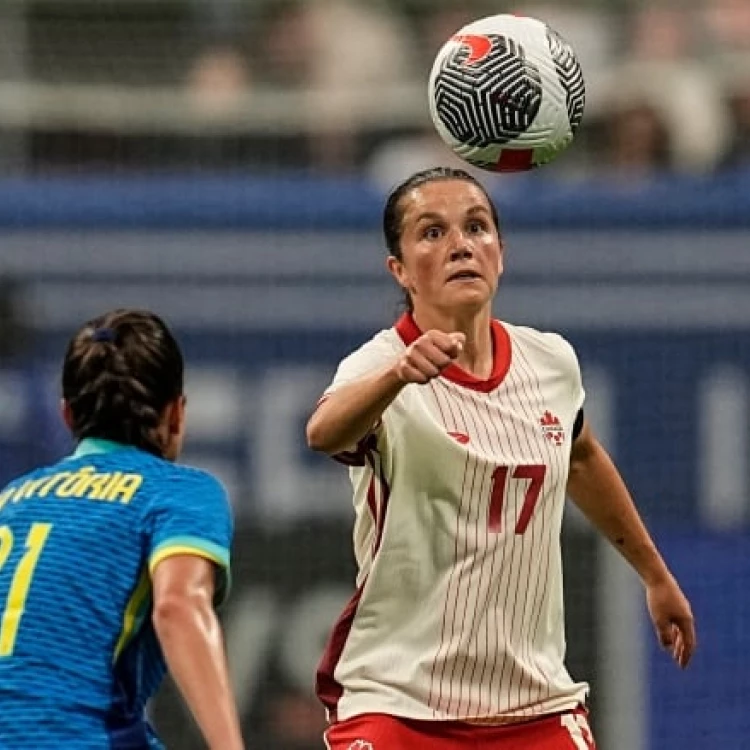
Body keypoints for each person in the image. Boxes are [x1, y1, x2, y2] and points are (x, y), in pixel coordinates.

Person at [306, 167, 696, 749]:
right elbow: (323, 433)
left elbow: (582, 456)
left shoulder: (551, 362)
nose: (461, 244)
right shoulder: (380, 364)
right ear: (401, 269)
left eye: (477, 227)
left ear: (500, 252)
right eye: (432, 233)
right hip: (398, 704)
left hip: (534, 704)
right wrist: (397, 376)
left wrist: (655, 575)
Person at [0, 309, 244, 750]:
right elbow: (177, 606)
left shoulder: (10, 501)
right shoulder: (179, 492)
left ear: (68, 415)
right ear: (176, 413)